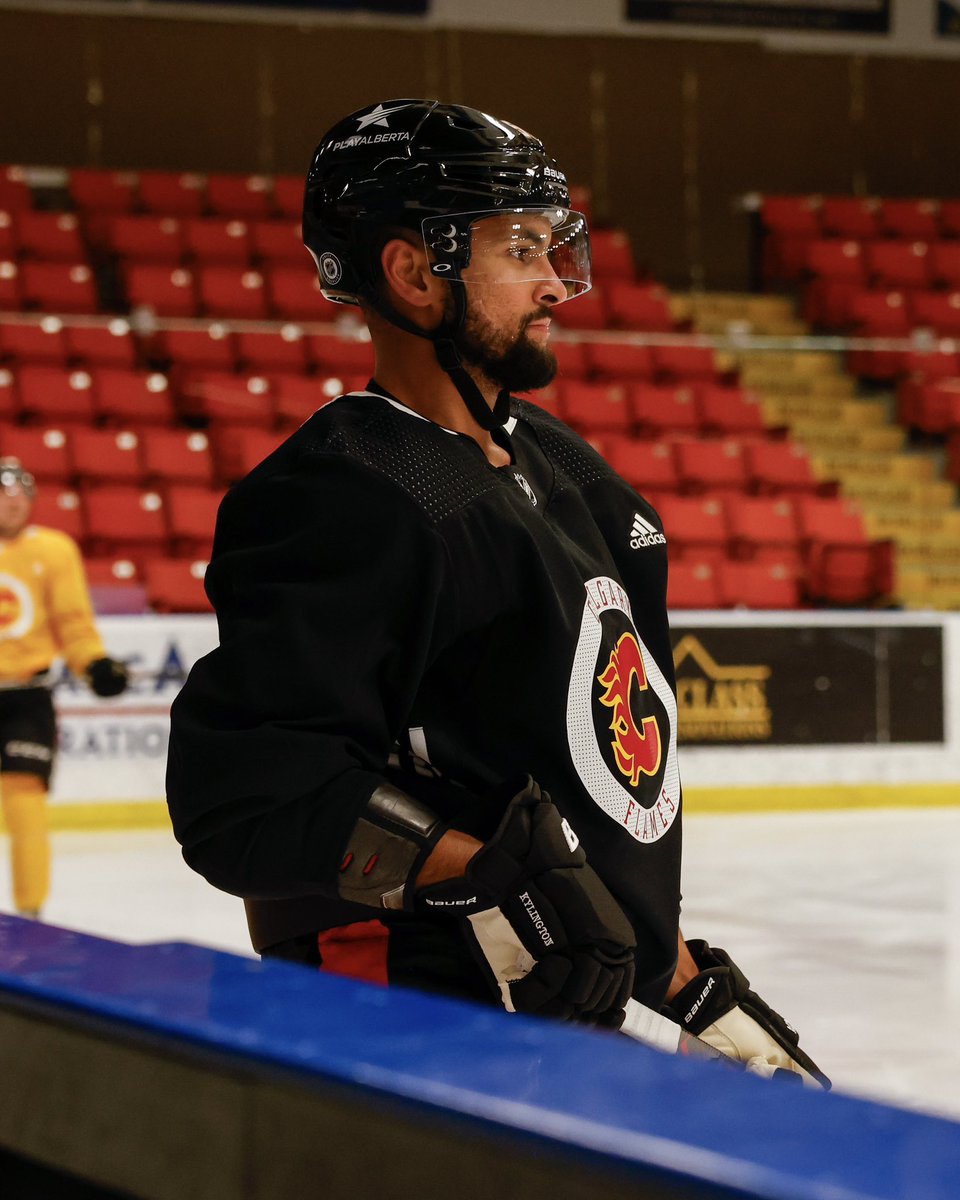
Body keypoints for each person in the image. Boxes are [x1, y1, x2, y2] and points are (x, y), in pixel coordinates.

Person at [166, 100, 826, 1083]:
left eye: (559, 246)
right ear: (413, 270)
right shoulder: (350, 489)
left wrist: (684, 984)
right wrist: (474, 877)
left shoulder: (567, 468)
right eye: (522, 249)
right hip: (417, 1029)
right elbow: (249, 798)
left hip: (573, 1010)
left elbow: (576, 810)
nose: (559, 281)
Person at [0, 457, 129, 917]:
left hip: (27, 696)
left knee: (25, 804)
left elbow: (74, 625)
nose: (10, 502)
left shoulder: (53, 550)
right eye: (2, 493)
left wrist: (94, 665)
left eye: (19, 494)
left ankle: (29, 914)